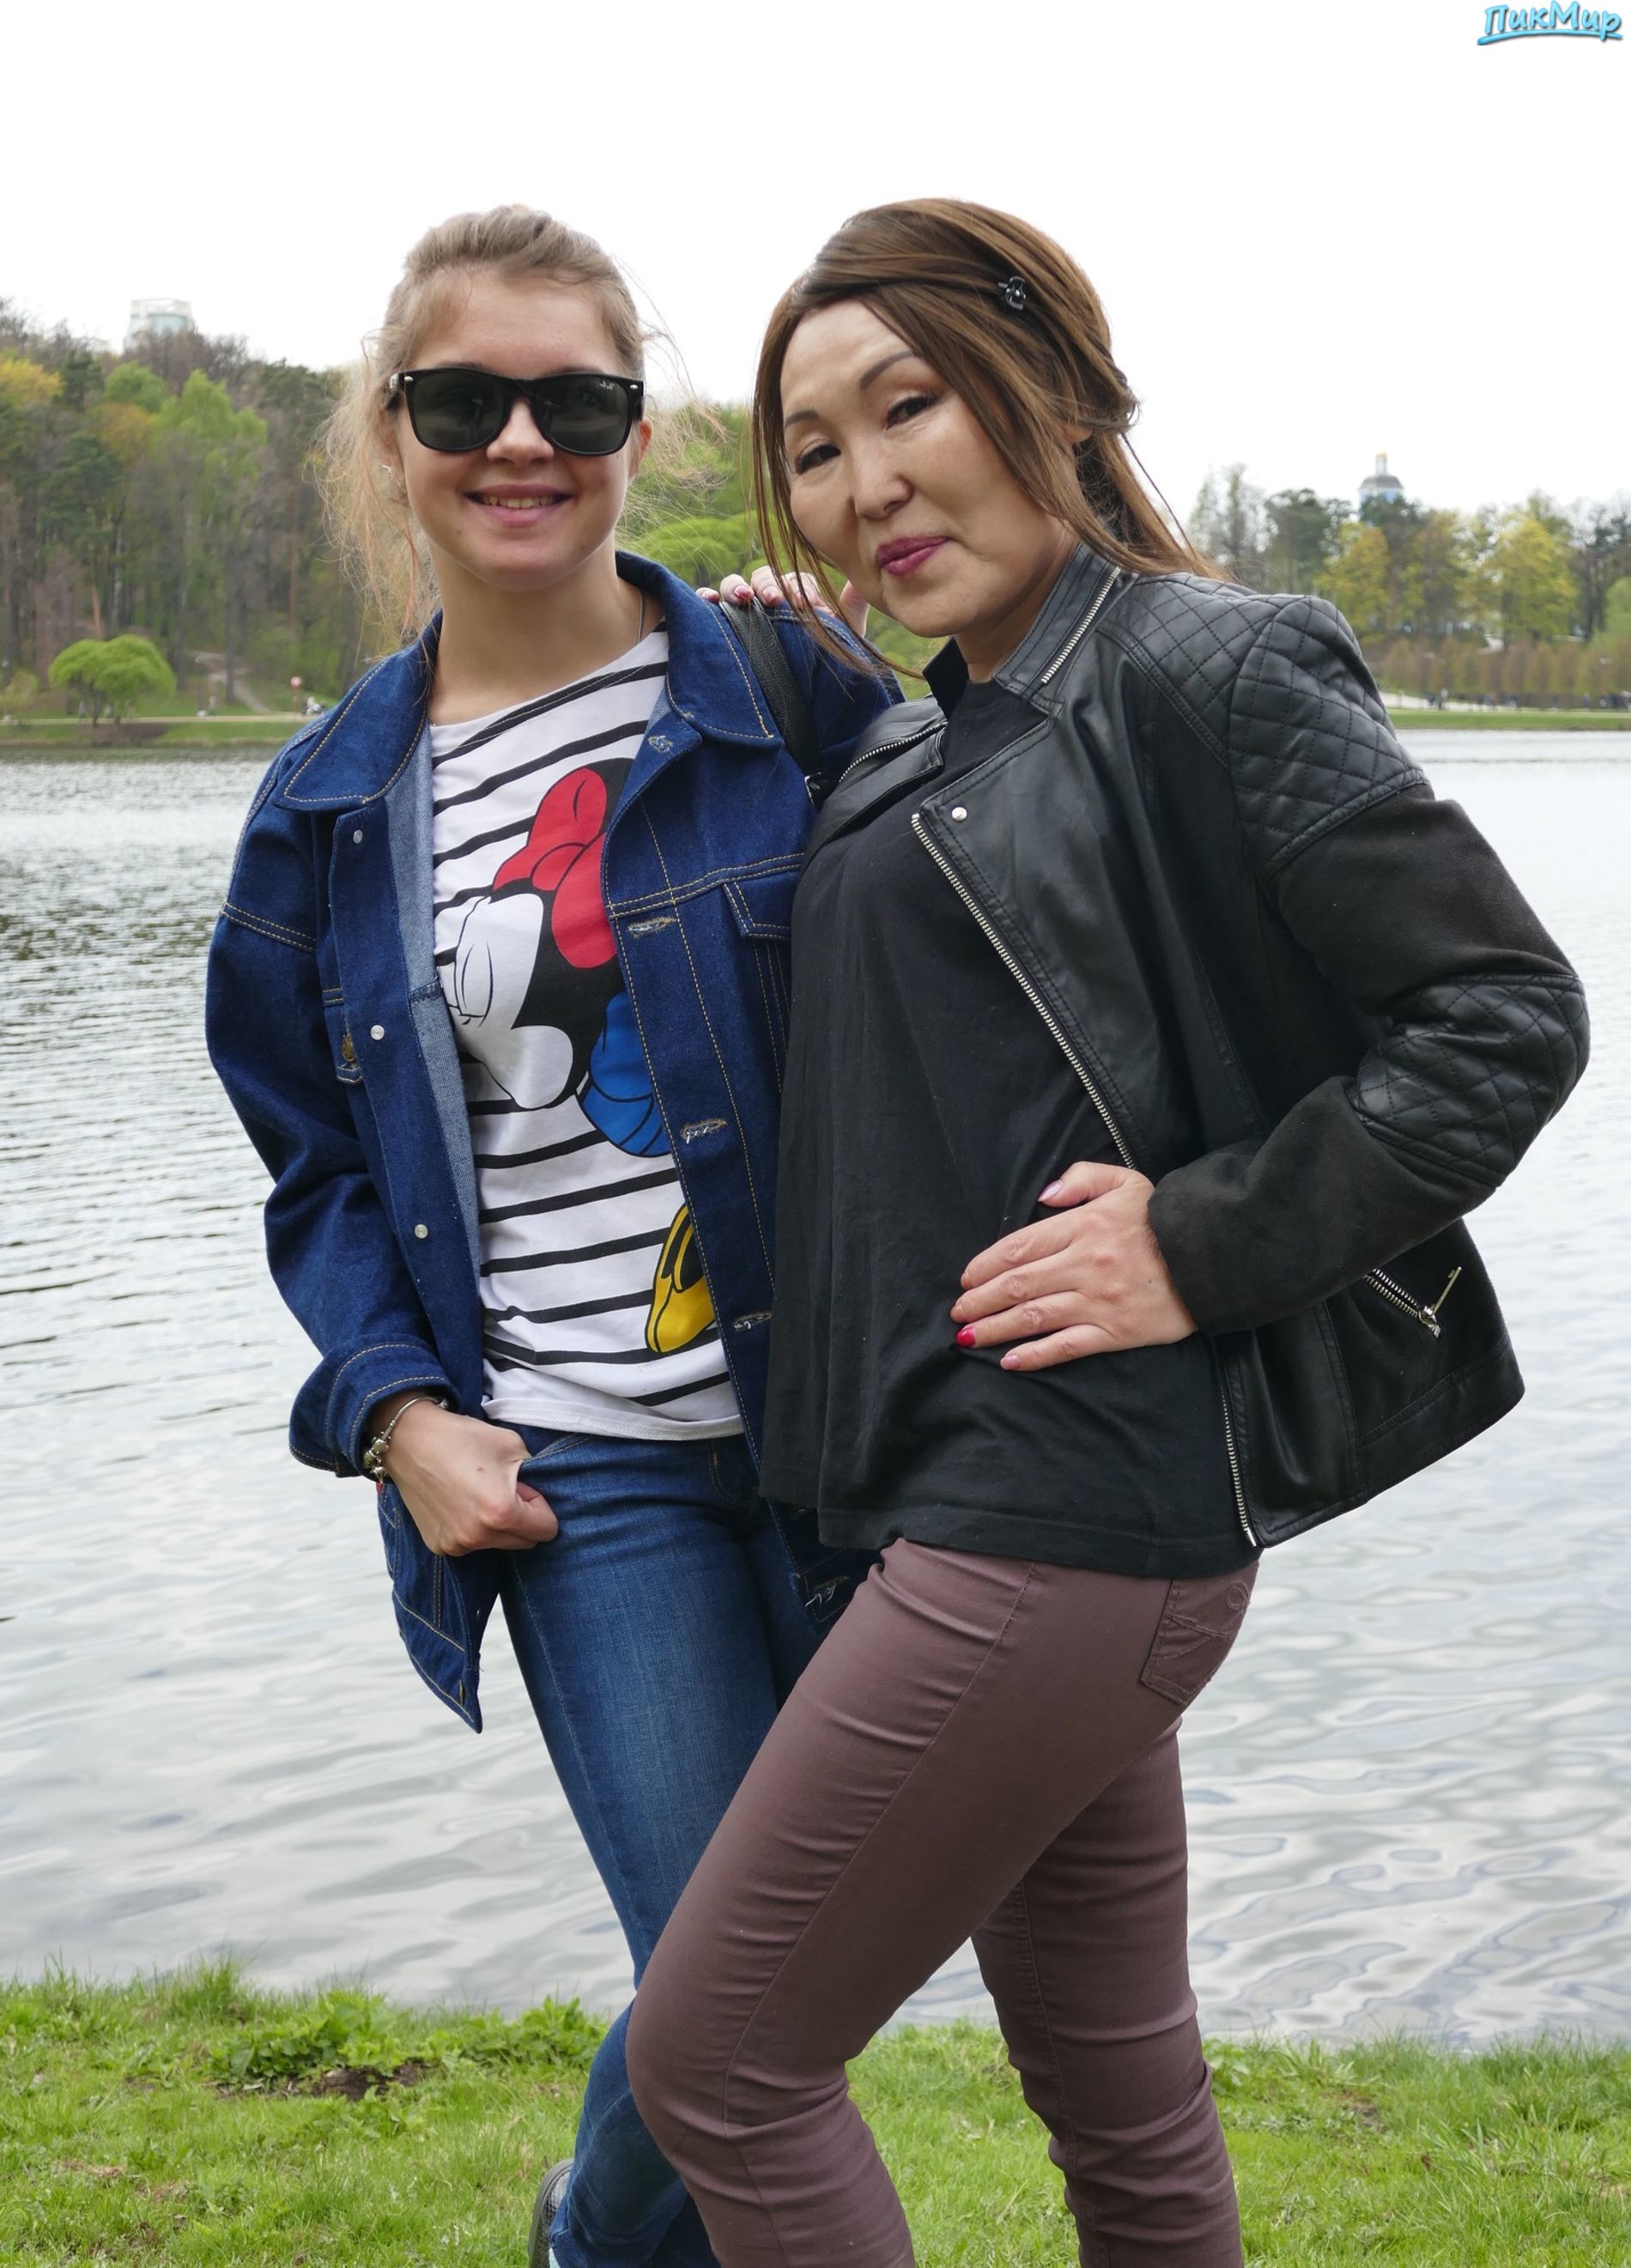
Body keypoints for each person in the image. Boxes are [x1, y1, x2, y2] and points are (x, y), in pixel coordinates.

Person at [623, 197, 1591, 2267]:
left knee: (721, 2063)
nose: (866, 484)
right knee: (1116, 2093)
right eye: (813, 447)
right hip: (984, 1506)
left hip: (1062, 1518)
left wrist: (1197, 1241)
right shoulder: (925, 725)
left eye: (908, 406)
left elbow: (1501, 1018)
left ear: (1051, 391)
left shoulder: (1207, 664)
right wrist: (791, 678)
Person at [204, 205, 894, 2268]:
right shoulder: (326, 809)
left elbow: (978, 954)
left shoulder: (783, 682)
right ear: (390, 431)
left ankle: (587, 2229)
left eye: (575, 402)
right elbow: (317, 1170)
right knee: (732, 1982)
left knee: (792, 1980)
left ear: (635, 433)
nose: (520, 443)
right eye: (463, 401)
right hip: (585, 1470)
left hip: (855, 1430)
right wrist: (393, 1414)